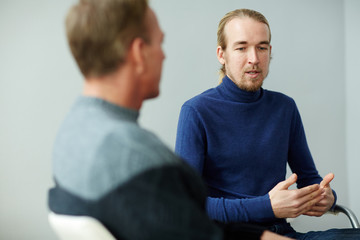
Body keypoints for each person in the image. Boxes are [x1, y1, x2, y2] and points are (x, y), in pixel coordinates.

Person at [47, 1, 290, 239]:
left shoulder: (74, 129)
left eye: (262, 47)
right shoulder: (135, 156)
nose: (163, 55)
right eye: (160, 43)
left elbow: (192, 226)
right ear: (139, 53)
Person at [175, 8, 360, 239]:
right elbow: (185, 204)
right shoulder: (196, 111)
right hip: (230, 235)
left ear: (269, 51)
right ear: (222, 54)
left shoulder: (285, 108)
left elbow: (310, 180)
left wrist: (326, 197)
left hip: (283, 233)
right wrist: (267, 206)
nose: (254, 59)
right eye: (242, 48)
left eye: (262, 47)